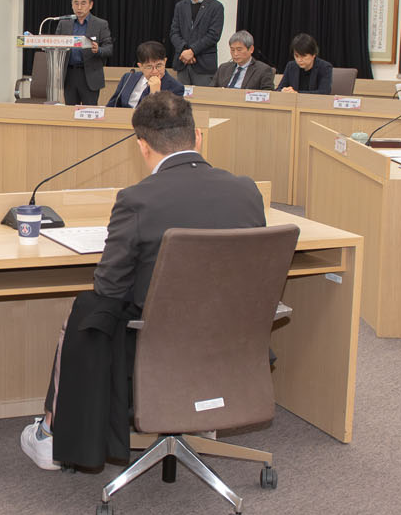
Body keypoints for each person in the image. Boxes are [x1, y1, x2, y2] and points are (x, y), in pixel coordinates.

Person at [19, 92, 266, 471]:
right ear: (198, 136)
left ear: (142, 146)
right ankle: (198, 406)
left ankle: (52, 434)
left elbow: (108, 287)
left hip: (158, 342)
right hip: (229, 337)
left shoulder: (137, 199)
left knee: (88, 308)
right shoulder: (247, 191)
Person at [168, 0, 225, 88]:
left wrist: (192, 51)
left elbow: (213, 35)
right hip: (183, 62)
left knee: (203, 97)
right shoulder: (180, 6)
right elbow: (174, 32)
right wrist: (185, 51)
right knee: (180, 98)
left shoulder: (216, 7)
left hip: (203, 65)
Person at [59, 0, 113, 106]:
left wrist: (98, 50)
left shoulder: (100, 24)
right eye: (76, 3)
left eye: (83, 3)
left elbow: (109, 48)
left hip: (90, 75)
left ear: (91, 5)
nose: (79, 7)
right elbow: (56, 45)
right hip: (69, 75)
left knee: (90, 111)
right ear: (71, 4)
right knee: (69, 111)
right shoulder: (64, 23)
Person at [105, 41, 184, 108]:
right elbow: (112, 105)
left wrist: (155, 93)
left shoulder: (176, 88)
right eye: (149, 67)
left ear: (165, 61)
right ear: (140, 66)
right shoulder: (128, 78)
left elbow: (167, 117)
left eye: (159, 66)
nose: (155, 71)